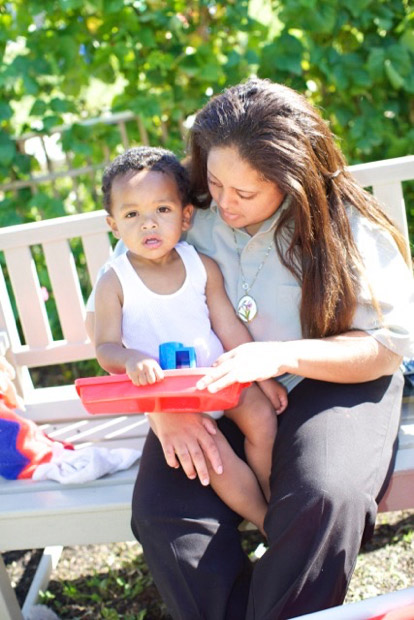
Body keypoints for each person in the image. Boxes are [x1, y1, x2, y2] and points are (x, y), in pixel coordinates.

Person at [86, 79, 414, 619]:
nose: (224, 204)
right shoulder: (181, 213)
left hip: (329, 380)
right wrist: (162, 408)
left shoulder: (347, 227)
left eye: (246, 193)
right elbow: (120, 307)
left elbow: (384, 348)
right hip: (210, 387)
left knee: (322, 495)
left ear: (294, 179)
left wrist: (281, 356)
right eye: (215, 183)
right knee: (166, 513)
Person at [93, 146, 287, 534]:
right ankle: (266, 523)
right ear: (113, 225)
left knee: (263, 419)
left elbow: (228, 327)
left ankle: (278, 501)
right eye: (132, 214)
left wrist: (262, 376)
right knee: (214, 459)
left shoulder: (201, 266)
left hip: (218, 377)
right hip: (174, 395)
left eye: (161, 210)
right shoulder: (114, 281)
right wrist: (130, 359)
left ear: (184, 217)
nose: (148, 224)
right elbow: (105, 347)